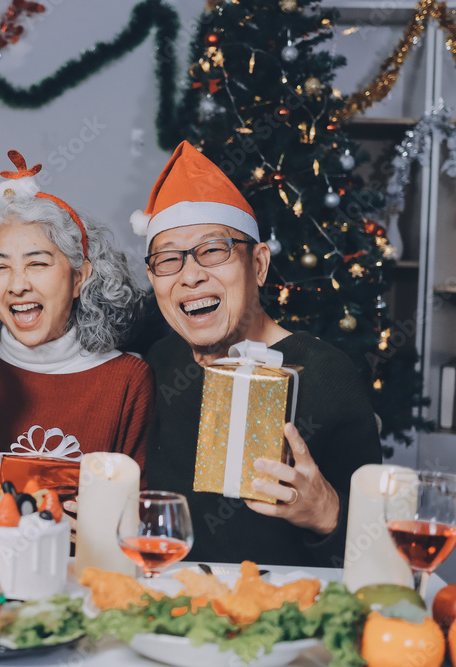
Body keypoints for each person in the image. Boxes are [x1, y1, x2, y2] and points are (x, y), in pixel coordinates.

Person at [131, 141, 382, 567]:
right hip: (168, 597)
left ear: (259, 264)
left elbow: (379, 552)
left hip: (282, 604)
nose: (190, 276)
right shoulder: (159, 361)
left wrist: (326, 512)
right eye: (168, 260)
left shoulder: (327, 374)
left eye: (213, 250)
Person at [0, 151, 153, 518]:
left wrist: (99, 523)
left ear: (79, 277)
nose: (17, 285)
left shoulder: (128, 379)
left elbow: (139, 513)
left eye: (37, 263)